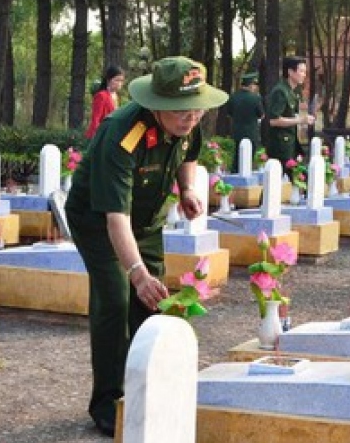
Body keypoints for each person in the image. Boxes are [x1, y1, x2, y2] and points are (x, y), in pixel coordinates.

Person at [64, 56, 227, 438]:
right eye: (181, 112)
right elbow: (114, 218)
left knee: (154, 302)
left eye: (197, 109)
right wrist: (136, 273)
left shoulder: (190, 120)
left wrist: (186, 189)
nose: (191, 118)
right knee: (116, 297)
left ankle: (147, 388)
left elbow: (188, 154)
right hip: (98, 221)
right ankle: (108, 403)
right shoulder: (123, 133)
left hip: (147, 219)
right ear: (156, 106)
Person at [265, 56, 314, 175]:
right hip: (281, 146)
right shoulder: (281, 92)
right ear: (290, 72)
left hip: (290, 144)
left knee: (296, 179)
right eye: (301, 71)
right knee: (295, 178)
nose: (304, 75)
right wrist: (300, 120)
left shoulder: (292, 92)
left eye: (305, 72)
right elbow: (274, 120)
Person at [226, 71, 264, 172]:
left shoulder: (233, 97)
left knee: (237, 157)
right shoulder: (255, 98)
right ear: (251, 85)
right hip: (252, 133)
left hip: (237, 132)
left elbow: (229, 114)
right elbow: (261, 115)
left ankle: (234, 174)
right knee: (248, 157)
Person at [85, 65, 125, 139]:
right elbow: (95, 119)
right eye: (117, 80)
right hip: (99, 136)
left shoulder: (116, 96)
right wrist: (97, 137)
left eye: (121, 81)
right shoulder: (101, 95)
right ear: (108, 80)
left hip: (110, 135)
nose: (120, 83)